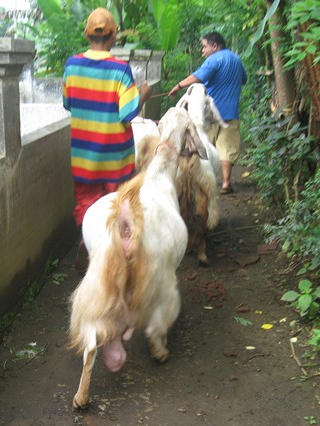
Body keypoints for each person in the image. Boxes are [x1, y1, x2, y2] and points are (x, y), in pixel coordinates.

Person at [62, 7, 151, 271]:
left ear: (87, 34)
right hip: (116, 159)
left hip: (83, 158)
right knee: (121, 209)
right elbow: (127, 114)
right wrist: (143, 93)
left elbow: (68, 103)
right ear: (113, 36)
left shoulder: (72, 65)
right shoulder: (120, 70)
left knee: (87, 206)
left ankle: (88, 242)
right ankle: (118, 258)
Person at [168, 32, 247, 194]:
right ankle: (225, 183)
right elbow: (244, 80)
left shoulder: (214, 59)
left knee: (203, 146)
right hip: (230, 112)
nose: (202, 51)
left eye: (204, 46)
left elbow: (198, 77)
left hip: (209, 114)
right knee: (227, 148)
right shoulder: (237, 60)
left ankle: (201, 181)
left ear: (215, 46)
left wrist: (179, 85)